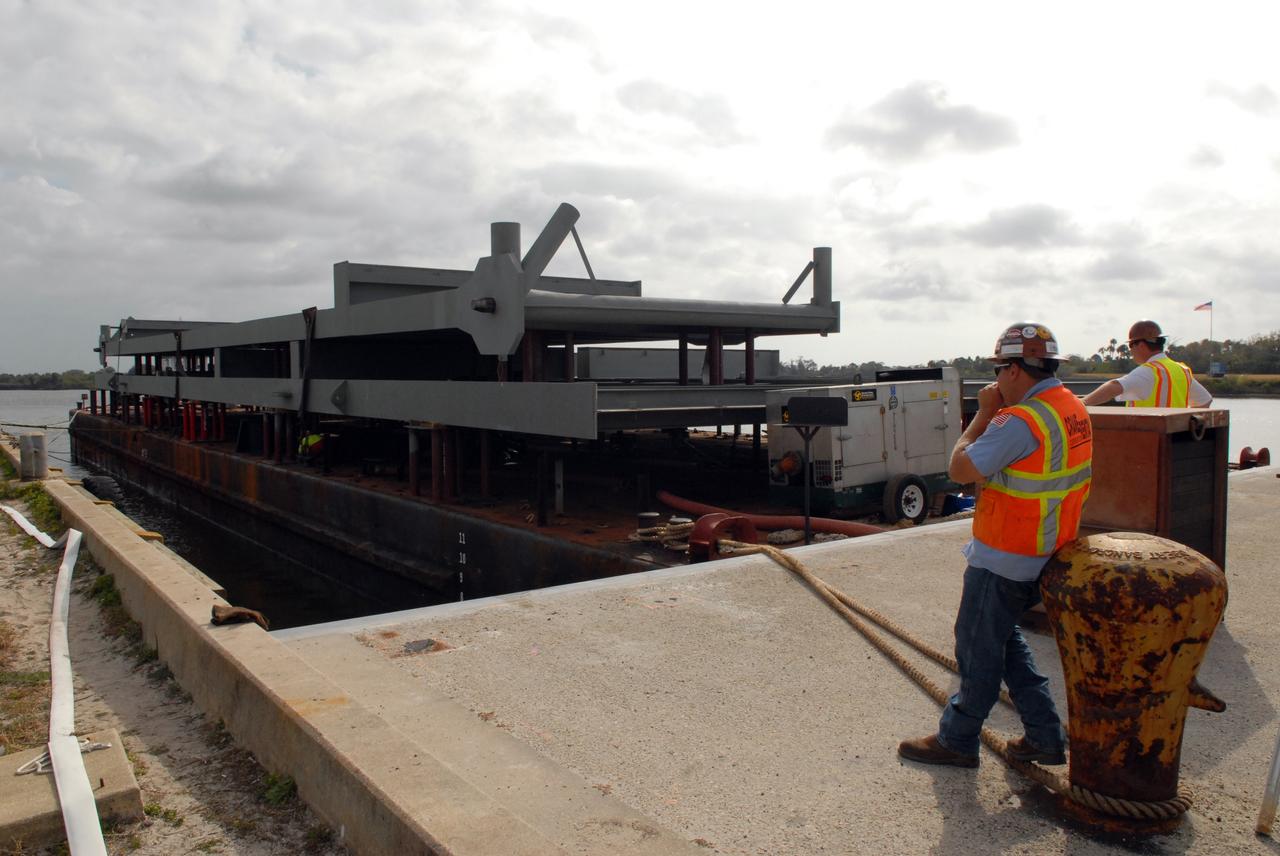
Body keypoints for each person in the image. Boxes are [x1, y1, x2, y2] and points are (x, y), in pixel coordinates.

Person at [899, 323, 1092, 768]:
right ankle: (1045, 736)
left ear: (1015, 371)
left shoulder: (1018, 420)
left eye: (1000, 369)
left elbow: (961, 469)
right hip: (1047, 548)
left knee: (976, 648)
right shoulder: (1072, 408)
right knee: (1005, 644)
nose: (997, 380)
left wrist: (984, 413)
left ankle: (958, 738)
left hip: (1007, 554)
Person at [1082, 320, 1212, 407]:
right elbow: (1205, 401)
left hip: (1146, 443)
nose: (1131, 351)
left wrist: (1081, 403)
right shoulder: (1182, 371)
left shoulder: (1149, 371)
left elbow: (1113, 387)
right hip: (1173, 444)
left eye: (1131, 346)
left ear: (1141, 345)